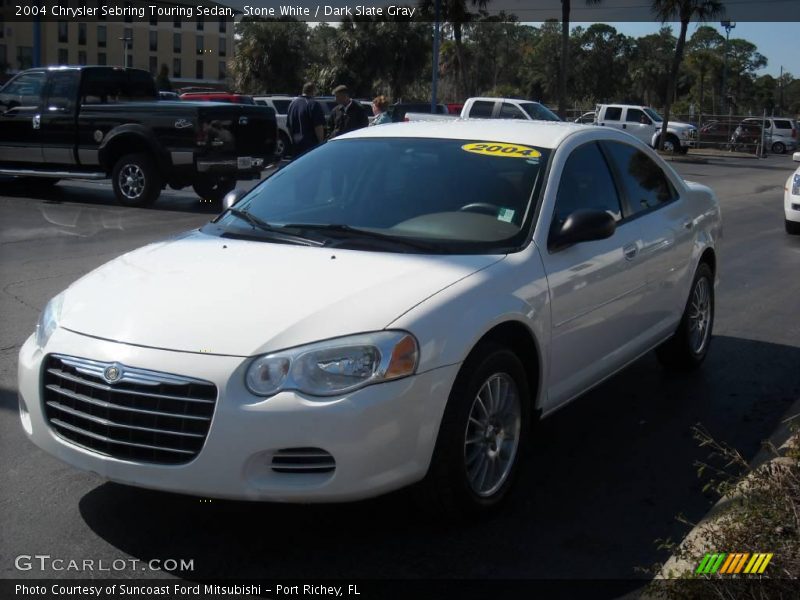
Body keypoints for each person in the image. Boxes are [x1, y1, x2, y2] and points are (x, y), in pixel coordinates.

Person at [286, 82, 325, 155]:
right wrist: (321, 143)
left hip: (296, 145)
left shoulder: (292, 104)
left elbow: (288, 126)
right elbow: (318, 126)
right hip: (310, 146)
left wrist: (293, 139)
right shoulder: (313, 104)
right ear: (313, 91)